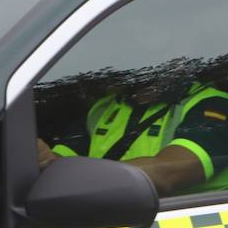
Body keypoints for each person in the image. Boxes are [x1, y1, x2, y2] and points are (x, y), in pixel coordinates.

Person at [39, 81, 228, 196]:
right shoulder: (102, 109)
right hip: (108, 224)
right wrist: (42, 159)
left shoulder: (215, 105)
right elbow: (56, 166)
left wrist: (75, 178)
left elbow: (167, 174)